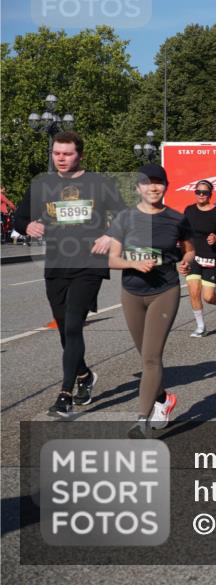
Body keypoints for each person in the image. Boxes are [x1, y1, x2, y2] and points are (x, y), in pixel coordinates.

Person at [12, 131, 126, 417]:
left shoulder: (99, 184)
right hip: (56, 264)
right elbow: (20, 216)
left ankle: (65, 394)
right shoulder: (43, 184)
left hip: (89, 264)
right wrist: (27, 226)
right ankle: (85, 375)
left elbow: (125, 215)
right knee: (64, 329)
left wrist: (110, 236)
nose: (61, 158)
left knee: (74, 325)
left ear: (80, 155)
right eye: (56, 153)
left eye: (67, 153)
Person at [106, 164, 194, 438]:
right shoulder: (124, 218)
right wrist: (134, 262)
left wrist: (186, 263)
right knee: (144, 355)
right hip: (132, 292)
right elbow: (111, 259)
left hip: (164, 291)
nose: (153, 187)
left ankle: (142, 421)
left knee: (151, 357)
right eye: (146, 183)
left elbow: (189, 251)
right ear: (138, 188)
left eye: (158, 183)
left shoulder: (177, 219)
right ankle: (164, 399)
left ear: (165, 187)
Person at [182, 180, 216, 337]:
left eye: (205, 192)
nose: (201, 195)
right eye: (198, 192)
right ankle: (201, 326)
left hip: (212, 257)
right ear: (195, 193)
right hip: (194, 257)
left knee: (208, 296)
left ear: (210, 194)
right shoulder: (189, 210)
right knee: (193, 291)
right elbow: (184, 234)